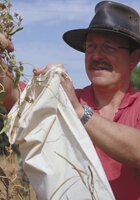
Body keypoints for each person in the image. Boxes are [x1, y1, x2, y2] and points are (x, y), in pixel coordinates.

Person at [34, 1, 140, 199]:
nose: (96, 55)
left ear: (133, 58)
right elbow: (11, 94)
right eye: (90, 47)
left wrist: (79, 111)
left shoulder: (73, 104)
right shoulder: (66, 98)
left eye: (108, 47)